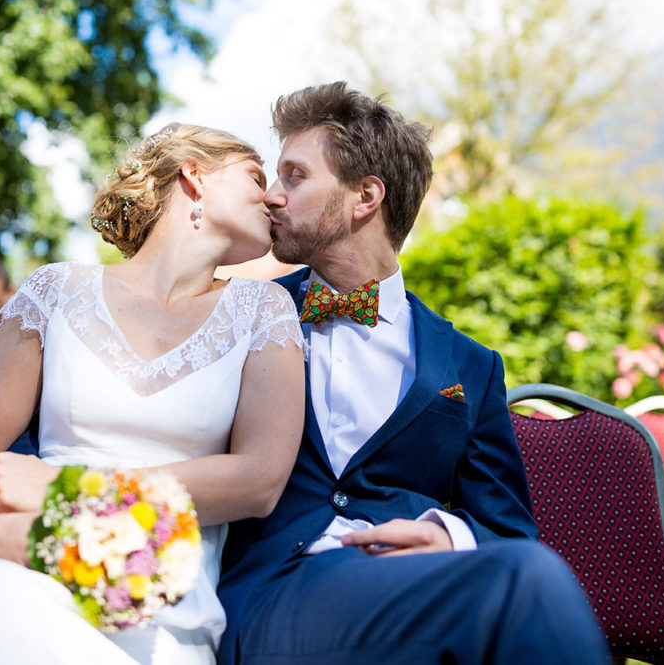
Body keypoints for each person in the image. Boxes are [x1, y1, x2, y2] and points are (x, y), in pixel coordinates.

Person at [213, 82, 611, 664]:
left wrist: (451, 537)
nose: (272, 196)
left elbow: (508, 528)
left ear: (365, 197)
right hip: (273, 597)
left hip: (420, 598)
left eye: (294, 176)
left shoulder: (472, 366)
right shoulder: (239, 314)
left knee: (525, 573)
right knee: (527, 580)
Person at [0, 123, 306, 665]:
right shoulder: (55, 290)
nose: (274, 197)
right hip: (24, 556)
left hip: (154, 593)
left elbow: (259, 480)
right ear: (195, 175)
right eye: (256, 177)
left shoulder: (265, 310)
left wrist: (68, 490)